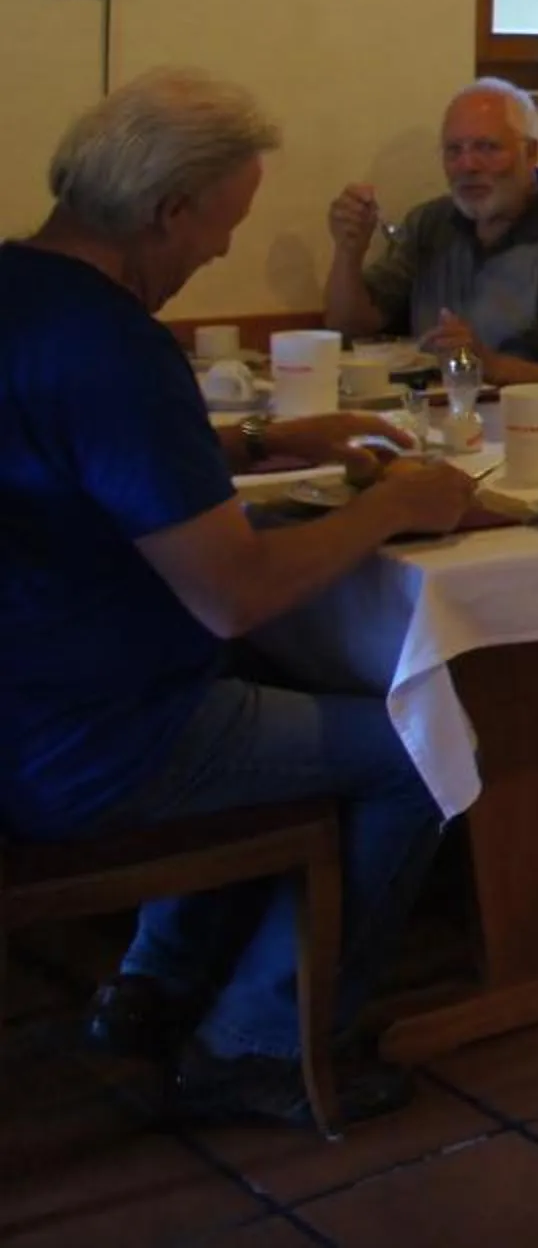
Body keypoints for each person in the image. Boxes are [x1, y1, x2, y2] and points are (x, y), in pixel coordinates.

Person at [2, 71, 477, 1124]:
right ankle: (262, 1043)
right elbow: (234, 592)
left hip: (27, 703)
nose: (216, 253)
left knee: (271, 678)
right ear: (170, 208)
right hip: (82, 746)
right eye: (222, 227)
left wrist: (263, 439)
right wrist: (398, 504)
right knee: (419, 750)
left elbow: (80, 459)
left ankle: (154, 982)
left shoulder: (20, 290)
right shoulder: (116, 343)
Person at [323, 80, 538, 395]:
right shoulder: (429, 224)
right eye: (454, 150)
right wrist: (349, 251)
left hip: (534, 432)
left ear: (531, 153)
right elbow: (350, 328)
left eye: (487, 147)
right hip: (430, 423)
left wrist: (490, 366)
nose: (467, 165)